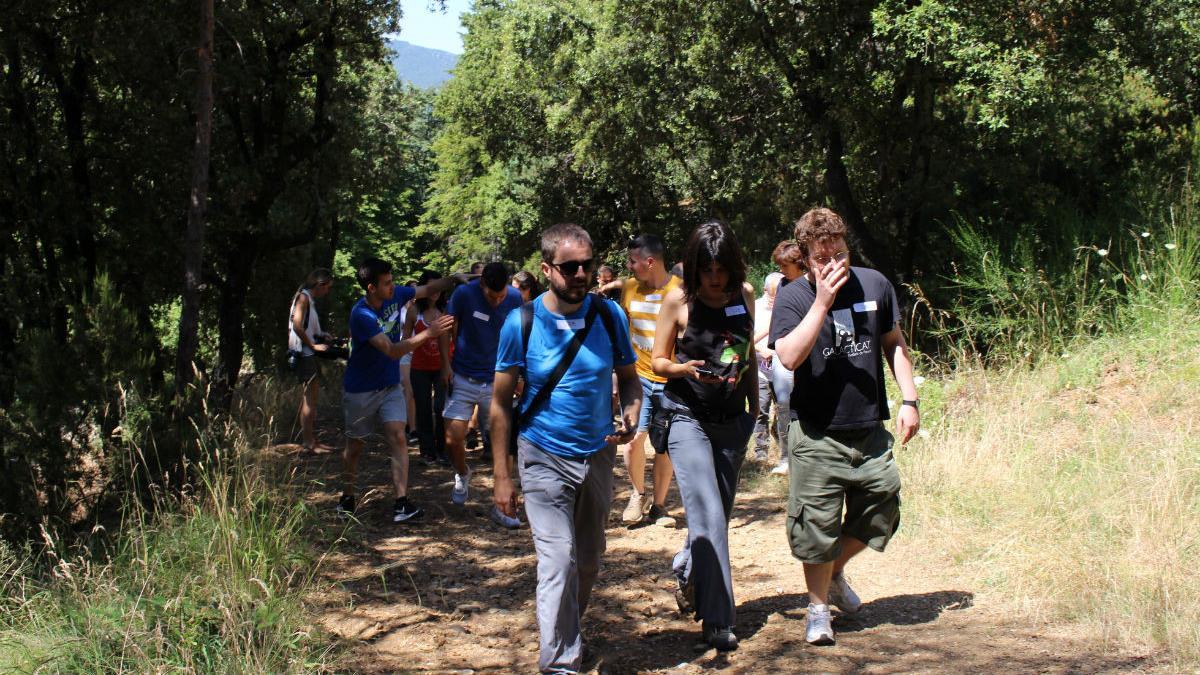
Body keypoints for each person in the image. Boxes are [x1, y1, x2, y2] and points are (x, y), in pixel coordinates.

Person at [490, 223, 641, 674]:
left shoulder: (610, 315)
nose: (579, 274)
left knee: (589, 560)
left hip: (597, 454)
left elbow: (630, 380)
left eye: (586, 265)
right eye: (568, 266)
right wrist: (502, 475)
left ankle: (567, 630)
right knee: (559, 559)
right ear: (546, 268)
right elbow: (499, 404)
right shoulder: (522, 322)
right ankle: (560, 659)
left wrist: (632, 416)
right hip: (542, 453)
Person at [769, 207, 921, 645]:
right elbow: (789, 357)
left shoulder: (875, 284)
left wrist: (909, 399)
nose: (835, 265)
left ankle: (834, 573)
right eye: (823, 258)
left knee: (883, 508)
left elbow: (894, 344)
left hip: (870, 427)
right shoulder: (795, 297)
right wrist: (821, 301)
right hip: (817, 430)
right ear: (806, 257)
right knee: (815, 525)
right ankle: (818, 609)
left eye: (840, 254)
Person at [651, 220, 757, 652]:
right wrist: (683, 368)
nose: (715, 278)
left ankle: (689, 572)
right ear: (694, 268)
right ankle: (718, 620)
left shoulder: (745, 296)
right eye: (707, 269)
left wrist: (755, 412)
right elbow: (657, 361)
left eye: (722, 269)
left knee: (717, 516)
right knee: (708, 513)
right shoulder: (678, 299)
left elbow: (747, 356)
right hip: (684, 414)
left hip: (732, 420)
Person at [338, 258, 468, 523]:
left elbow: (427, 290)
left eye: (392, 280)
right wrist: (429, 334)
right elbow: (393, 350)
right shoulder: (361, 315)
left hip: (389, 385)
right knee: (355, 447)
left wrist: (455, 279)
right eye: (386, 283)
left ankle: (401, 504)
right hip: (361, 389)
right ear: (371, 287)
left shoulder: (396, 293)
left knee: (398, 436)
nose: (392, 286)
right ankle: (347, 497)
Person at [443, 262, 523, 505]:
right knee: (453, 437)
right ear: (481, 284)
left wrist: (520, 374)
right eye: (491, 296)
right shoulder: (464, 294)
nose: (497, 301)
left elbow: (523, 336)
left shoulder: (515, 298)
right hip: (463, 375)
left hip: (498, 380)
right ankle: (462, 473)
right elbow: (444, 329)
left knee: (505, 440)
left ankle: (506, 491)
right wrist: (445, 365)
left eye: (501, 296)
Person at [617, 233, 682, 526]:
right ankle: (637, 493)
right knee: (633, 440)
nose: (630, 267)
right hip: (639, 378)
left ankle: (659, 505)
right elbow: (622, 333)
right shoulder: (629, 288)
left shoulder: (680, 291)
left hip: (671, 381)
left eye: (633, 261)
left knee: (663, 445)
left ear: (650, 261)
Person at [404, 270, 452, 465]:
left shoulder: (446, 310)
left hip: (442, 366)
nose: (435, 292)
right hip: (419, 367)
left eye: (439, 287)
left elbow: (453, 339)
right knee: (423, 408)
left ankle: (443, 450)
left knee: (441, 407)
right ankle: (427, 450)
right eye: (432, 287)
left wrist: (449, 365)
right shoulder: (414, 311)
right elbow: (406, 339)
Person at [288, 268, 335, 452]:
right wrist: (314, 346)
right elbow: (298, 326)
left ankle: (312, 440)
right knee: (309, 399)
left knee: (312, 399)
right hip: (304, 355)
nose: (328, 291)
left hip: (308, 353)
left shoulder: (308, 299)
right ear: (321, 284)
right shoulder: (303, 298)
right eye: (327, 287)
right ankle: (308, 442)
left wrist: (322, 335)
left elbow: (307, 328)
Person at [768, 240, 805, 475]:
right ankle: (785, 457)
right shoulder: (782, 286)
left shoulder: (814, 284)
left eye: (784, 265)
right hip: (783, 355)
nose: (781, 270)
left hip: (809, 354)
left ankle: (805, 456)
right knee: (783, 405)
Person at [751, 272, 785, 463]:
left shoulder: (787, 305)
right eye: (773, 294)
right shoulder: (755, 307)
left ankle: (783, 450)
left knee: (783, 408)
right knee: (761, 407)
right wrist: (760, 348)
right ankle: (760, 452)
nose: (776, 298)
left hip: (782, 365)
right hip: (759, 364)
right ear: (765, 291)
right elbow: (745, 340)